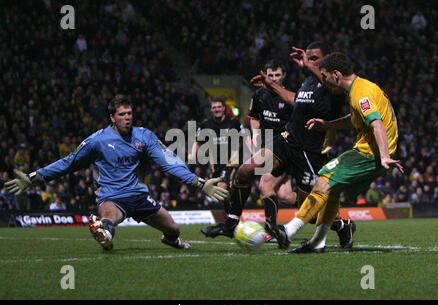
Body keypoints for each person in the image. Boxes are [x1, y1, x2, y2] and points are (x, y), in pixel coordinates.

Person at [5, 95, 229, 251]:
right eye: (122, 114)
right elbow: (69, 162)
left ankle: (170, 240)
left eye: (130, 113)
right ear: (112, 117)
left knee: (174, 229)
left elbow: (168, 162)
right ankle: (105, 233)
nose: (127, 117)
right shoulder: (97, 141)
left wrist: (198, 182)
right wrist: (35, 177)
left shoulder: (144, 136)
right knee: (109, 218)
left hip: (139, 196)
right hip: (111, 196)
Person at [201, 41, 356, 249]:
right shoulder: (309, 81)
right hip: (288, 139)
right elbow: (296, 100)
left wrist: (308, 66)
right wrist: (272, 86)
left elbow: (334, 87)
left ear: (327, 59)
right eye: (307, 58)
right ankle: (232, 222)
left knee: (306, 211)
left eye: (313, 58)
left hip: (311, 151)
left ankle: (342, 225)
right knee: (246, 170)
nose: (307, 62)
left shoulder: (336, 83)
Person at [287, 52, 403, 253]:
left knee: (323, 179)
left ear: (336, 75)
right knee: (333, 189)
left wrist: (384, 155)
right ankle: (317, 243)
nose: (323, 81)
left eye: (325, 76)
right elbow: (355, 119)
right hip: (373, 153)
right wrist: (327, 125)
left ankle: (287, 231)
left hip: (370, 154)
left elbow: (376, 124)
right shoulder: (360, 89)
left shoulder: (361, 93)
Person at [244, 59, 296, 241]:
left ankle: (271, 230)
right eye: (270, 75)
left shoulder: (289, 97)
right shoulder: (258, 95)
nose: (274, 79)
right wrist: (256, 136)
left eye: (277, 75)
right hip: (267, 146)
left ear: (284, 76)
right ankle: (315, 205)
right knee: (285, 196)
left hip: (285, 147)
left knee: (265, 184)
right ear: (264, 75)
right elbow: (254, 117)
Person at [188, 97, 250, 213]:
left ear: (223, 108)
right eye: (214, 107)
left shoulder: (233, 122)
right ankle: (232, 216)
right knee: (220, 193)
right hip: (215, 164)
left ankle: (233, 215)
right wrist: (191, 156)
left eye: (219, 107)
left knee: (222, 187)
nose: (217, 109)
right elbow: (197, 141)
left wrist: (252, 152)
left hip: (231, 161)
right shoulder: (205, 125)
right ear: (211, 109)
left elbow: (246, 136)